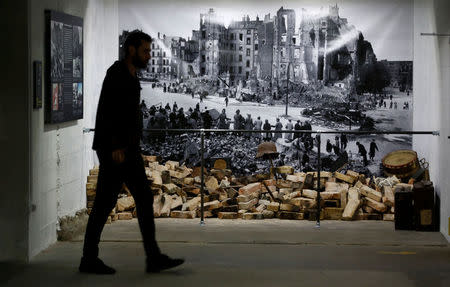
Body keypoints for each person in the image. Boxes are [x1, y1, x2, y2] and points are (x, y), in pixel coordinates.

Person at [82, 31, 184, 275]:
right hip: (115, 150)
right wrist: (116, 146)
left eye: (150, 51)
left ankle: (153, 257)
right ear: (131, 50)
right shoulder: (116, 74)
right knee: (105, 203)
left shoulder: (130, 74)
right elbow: (108, 112)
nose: (149, 55)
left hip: (128, 149)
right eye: (145, 51)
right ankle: (90, 258)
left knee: (142, 197)